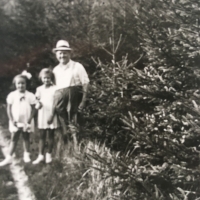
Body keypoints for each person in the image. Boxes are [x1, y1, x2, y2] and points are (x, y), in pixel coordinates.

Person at [48, 40, 89, 151]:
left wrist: (83, 101)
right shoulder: (55, 70)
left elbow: (85, 83)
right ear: (56, 55)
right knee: (65, 126)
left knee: (75, 124)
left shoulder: (77, 66)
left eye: (65, 52)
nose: (62, 55)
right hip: (61, 101)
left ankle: (79, 150)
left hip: (75, 98)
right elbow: (55, 89)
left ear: (69, 53)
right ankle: (69, 150)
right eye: (60, 53)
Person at [0, 74, 36, 166]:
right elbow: (8, 109)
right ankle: (9, 157)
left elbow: (34, 108)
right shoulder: (12, 95)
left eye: (23, 83)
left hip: (26, 120)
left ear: (26, 84)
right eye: (18, 83)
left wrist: (29, 119)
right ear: (15, 84)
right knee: (14, 138)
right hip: (15, 121)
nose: (21, 85)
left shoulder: (30, 95)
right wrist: (12, 120)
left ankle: (26, 155)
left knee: (26, 137)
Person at [33, 68, 59, 164]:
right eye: (44, 78)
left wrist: (52, 115)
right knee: (42, 135)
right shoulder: (39, 89)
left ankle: (49, 155)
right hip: (42, 113)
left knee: (50, 135)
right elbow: (37, 101)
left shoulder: (55, 88)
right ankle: (40, 155)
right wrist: (38, 103)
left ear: (51, 78)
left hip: (52, 113)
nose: (46, 80)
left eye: (48, 78)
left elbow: (55, 103)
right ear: (41, 78)